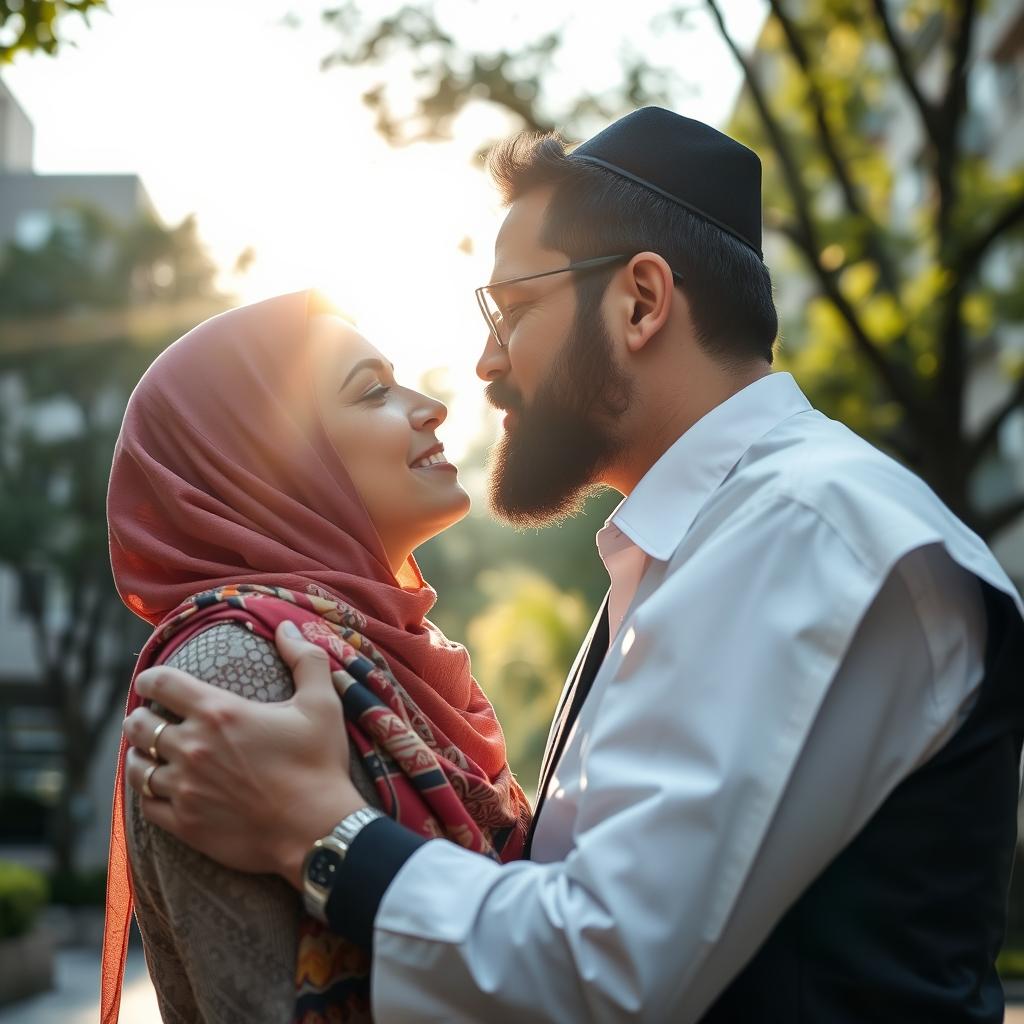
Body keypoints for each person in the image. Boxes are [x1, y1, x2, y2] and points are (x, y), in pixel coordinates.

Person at [122, 108, 1024, 1023]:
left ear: (639, 301)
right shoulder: (699, 544)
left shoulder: (803, 530)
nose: (482, 363)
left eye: (513, 309)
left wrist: (324, 833)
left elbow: (605, 973)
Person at [101, 291, 531, 1024]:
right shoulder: (234, 669)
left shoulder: (389, 655)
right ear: (269, 461)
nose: (432, 406)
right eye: (373, 392)